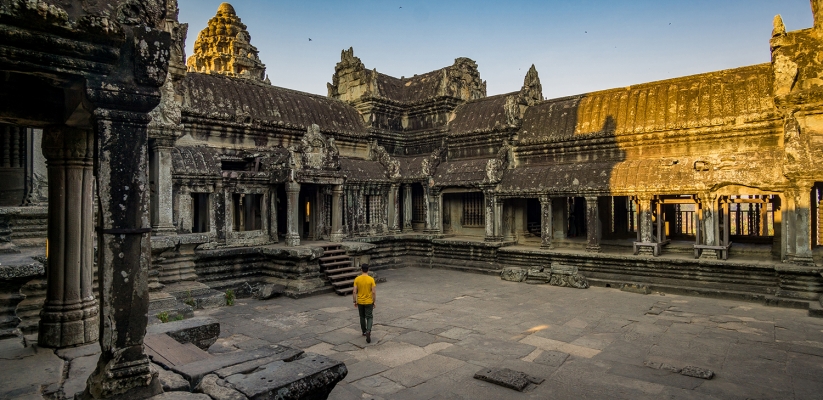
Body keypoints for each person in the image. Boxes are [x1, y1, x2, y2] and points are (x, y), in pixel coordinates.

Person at [352, 264, 376, 343]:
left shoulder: (357, 279)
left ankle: (364, 331)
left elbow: (354, 291)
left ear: (361, 269)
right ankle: (368, 330)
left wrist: (355, 301)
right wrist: (374, 301)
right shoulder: (371, 279)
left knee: (362, 316)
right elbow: (373, 292)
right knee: (369, 317)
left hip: (360, 301)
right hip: (369, 301)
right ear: (368, 269)